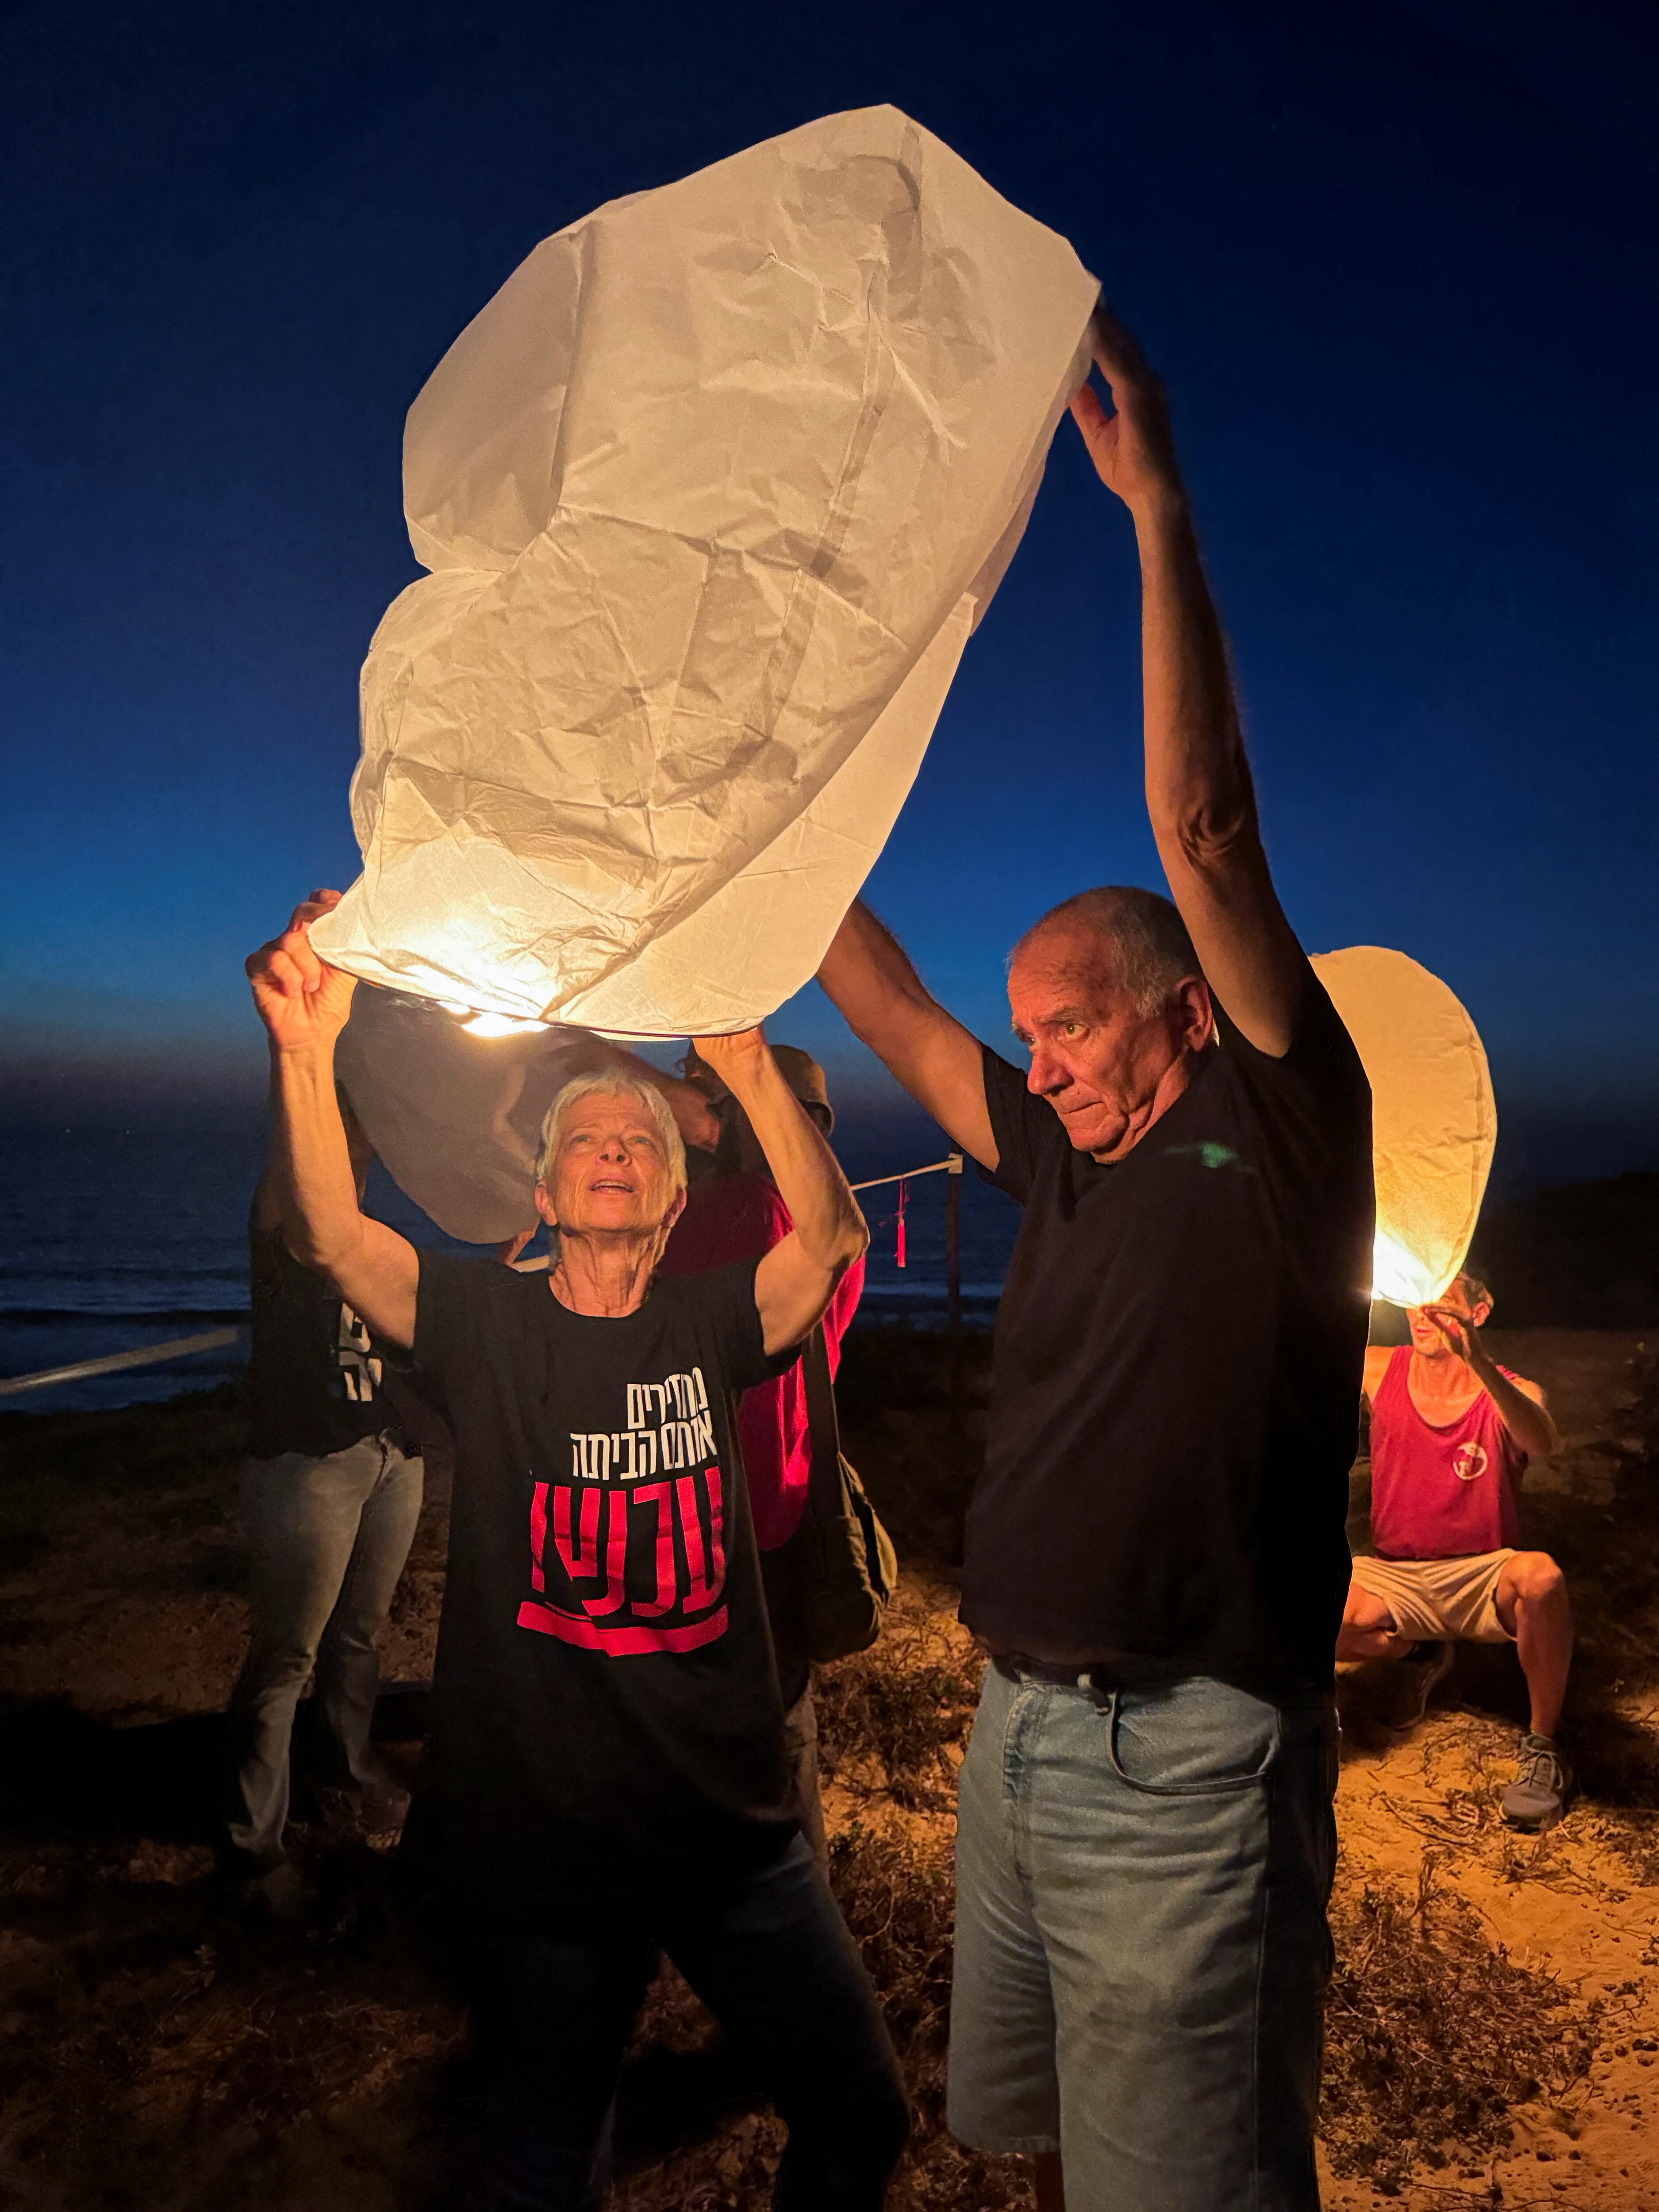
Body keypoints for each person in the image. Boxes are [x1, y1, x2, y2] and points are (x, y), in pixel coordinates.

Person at [816, 306, 1374, 2212]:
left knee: (1192, 2184)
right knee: (1069, 2157)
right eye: (1024, 1031)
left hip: (1186, 1759)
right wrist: (762, 810)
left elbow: (1200, 829)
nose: (1032, 1056)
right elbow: (880, 998)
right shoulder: (1056, 1154)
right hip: (1021, 1740)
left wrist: (1152, 513)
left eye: (1066, 1024)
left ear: (1186, 1017)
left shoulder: (1285, 1137)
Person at [245, 893, 908, 2212]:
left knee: (863, 2115)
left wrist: (747, 1066)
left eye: (637, 1138)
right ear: (541, 1192)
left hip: (732, 1826)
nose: (612, 1143)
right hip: (545, 1841)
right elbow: (334, 1237)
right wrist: (308, 1054)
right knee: (546, 2163)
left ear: (669, 1199)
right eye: (583, 1137)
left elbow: (826, 1238)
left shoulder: (712, 1315)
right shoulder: (485, 1318)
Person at [657, 1044, 864, 1858]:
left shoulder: (743, 1206)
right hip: (788, 1497)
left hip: (716, 1512)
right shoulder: (829, 1217)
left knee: (708, 1714)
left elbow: (644, 1298)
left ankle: (741, 1893)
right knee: (786, 1714)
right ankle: (802, 1889)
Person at [225, 1081, 423, 1913]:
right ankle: (252, 1849)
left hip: (388, 1455)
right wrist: (304, 1068)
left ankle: (349, 1767)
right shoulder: (283, 1228)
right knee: (287, 1657)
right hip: (309, 1464)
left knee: (359, 1635)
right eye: (339, 1145)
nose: (356, 1161)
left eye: (364, 1150)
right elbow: (292, 1156)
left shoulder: (369, 1243)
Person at [1340, 1271, 1570, 1829]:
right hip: (1397, 1572)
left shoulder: (1511, 1391)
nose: (1424, 1315)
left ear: (1479, 1313)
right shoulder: (1380, 1367)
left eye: (1442, 1304)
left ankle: (1545, 1749)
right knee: (1303, 1593)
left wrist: (1481, 1363)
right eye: (1417, 1303)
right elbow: (1302, 1351)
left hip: (1482, 1577)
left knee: (1542, 1579)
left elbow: (1543, 1441)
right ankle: (1412, 1655)